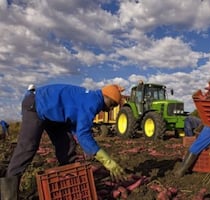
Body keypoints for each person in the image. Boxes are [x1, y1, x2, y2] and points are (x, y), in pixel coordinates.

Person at [0, 84, 128, 199]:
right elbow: (84, 134)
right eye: (112, 104)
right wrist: (107, 161)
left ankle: (69, 184)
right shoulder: (92, 102)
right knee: (28, 148)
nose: (110, 109)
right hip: (36, 105)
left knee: (67, 146)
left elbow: (75, 124)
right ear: (107, 97)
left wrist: (88, 149)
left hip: (54, 116)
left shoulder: (92, 98)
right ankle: (7, 195)